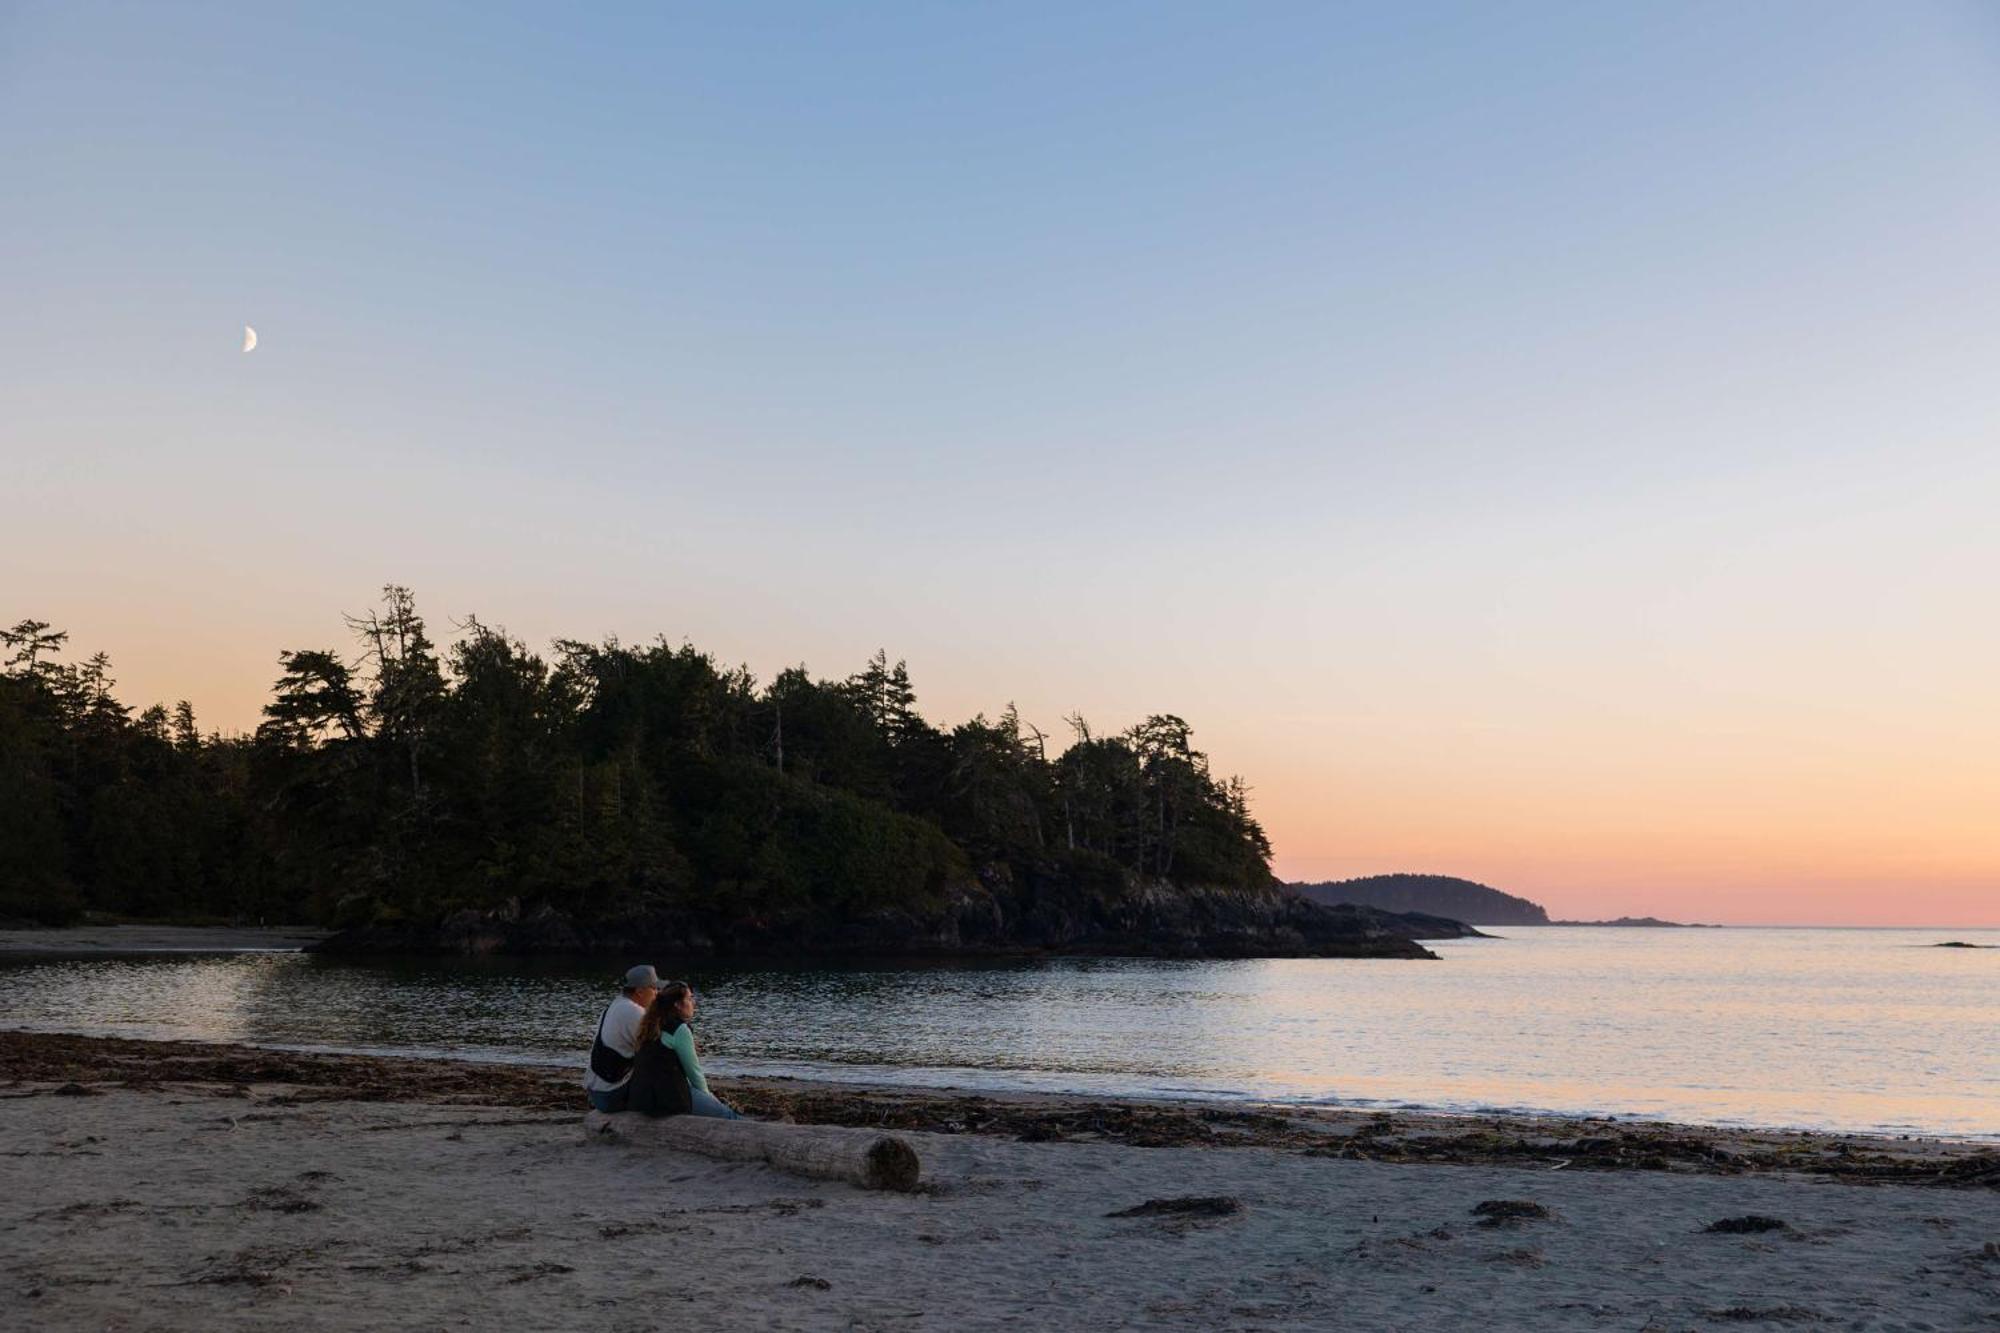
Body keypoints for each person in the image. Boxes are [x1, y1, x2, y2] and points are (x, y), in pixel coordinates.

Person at [632, 981, 743, 1119]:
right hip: (667, 1099)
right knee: (730, 1116)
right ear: (677, 1005)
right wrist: (709, 1098)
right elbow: (694, 1073)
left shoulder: (651, 1024)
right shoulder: (679, 1029)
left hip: (642, 1096)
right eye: (689, 998)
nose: (693, 1003)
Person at [583, 964, 663, 1113]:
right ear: (639, 991)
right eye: (654, 988)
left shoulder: (615, 1005)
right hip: (611, 1096)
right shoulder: (635, 1012)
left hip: (597, 1092)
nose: (657, 993)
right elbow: (661, 1052)